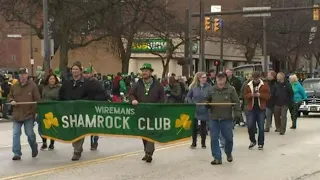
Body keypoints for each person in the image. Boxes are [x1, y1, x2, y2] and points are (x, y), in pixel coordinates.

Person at [59, 61, 104, 161]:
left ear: (80, 71)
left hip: (82, 111)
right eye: (73, 69)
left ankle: (77, 151)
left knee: (79, 130)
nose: (74, 71)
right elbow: (61, 95)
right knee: (72, 130)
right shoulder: (67, 83)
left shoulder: (87, 83)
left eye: (76, 69)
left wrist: (85, 102)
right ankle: (76, 146)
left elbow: (93, 96)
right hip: (70, 111)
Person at [129, 63, 165, 163]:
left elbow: (163, 98)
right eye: (143, 71)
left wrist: (157, 106)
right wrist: (133, 100)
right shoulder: (138, 83)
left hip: (153, 113)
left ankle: (149, 152)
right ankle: (147, 152)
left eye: (146, 71)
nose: (144, 72)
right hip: (141, 112)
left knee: (151, 133)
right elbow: (131, 94)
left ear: (150, 72)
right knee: (143, 133)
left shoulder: (158, 84)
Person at [205, 72, 241, 165]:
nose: (220, 80)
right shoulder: (211, 89)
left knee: (229, 138)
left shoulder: (231, 89)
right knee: (214, 138)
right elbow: (207, 100)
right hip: (214, 118)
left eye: (222, 78)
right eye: (218, 78)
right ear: (216, 79)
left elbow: (236, 102)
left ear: (225, 79)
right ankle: (217, 157)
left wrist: (238, 115)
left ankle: (228, 152)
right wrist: (206, 103)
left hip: (226, 118)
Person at [8, 68, 41, 160]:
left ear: (27, 75)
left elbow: (37, 100)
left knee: (30, 134)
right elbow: (10, 95)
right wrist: (12, 100)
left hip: (28, 115)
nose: (22, 76)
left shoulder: (33, 86)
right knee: (15, 134)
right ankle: (17, 153)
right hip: (17, 114)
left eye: (24, 74)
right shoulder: (14, 86)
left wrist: (33, 112)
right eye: (20, 74)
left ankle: (34, 147)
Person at [243, 71, 270, 150]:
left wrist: (260, 95)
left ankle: (261, 143)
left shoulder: (264, 85)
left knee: (261, 127)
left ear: (259, 77)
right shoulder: (248, 85)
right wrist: (250, 95)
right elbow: (244, 95)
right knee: (250, 125)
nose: (255, 80)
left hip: (261, 109)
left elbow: (268, 96)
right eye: (254, 79)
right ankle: (252, 140)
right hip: (251, 108)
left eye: (256, 79)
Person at [185, 72, 210, 149]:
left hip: (204, 109)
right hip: (195, 109)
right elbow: (188, 97)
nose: (204, 79)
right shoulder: (193, 87)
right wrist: (192, 103)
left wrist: (208, 102)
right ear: (199, 78)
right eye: (203, 77)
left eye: (205, 77)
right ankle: (194, 143)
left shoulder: (209, 87)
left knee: (203, 127)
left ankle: (203, 143)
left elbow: (211, 97)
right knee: (194, 127)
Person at [82, 67, 105, 150]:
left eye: (87, 73)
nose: (85, 75)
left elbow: (103, 94)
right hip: (83, 108)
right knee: (82, 125)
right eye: (84, 73)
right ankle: (79, 144)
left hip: (94, 107)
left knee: (93, 125)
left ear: (91, 74)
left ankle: (94, 141)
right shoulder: (81, 83)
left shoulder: (97, 83)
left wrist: (94, 100)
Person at [40, 74, 61, 150]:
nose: (52, 80)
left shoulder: (59, 88)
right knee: (43, 127)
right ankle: (44, 142)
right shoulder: (43, 87)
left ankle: (52, 143)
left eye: (53, 79)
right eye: (50, 79)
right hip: (44, 109)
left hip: (54, 109)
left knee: (52, 126)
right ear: (48, 80)